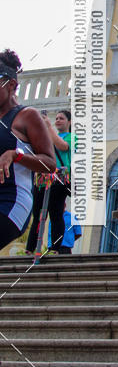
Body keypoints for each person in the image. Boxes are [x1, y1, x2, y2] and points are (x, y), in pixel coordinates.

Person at [0, 49, 56, 250]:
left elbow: (49, 164)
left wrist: (16, 155)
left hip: (11, 202)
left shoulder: (27, 116)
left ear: (11, 85)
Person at [26, 109, 74, 254]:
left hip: (59, 178)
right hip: (42, 177)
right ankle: (31, 247)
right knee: (38, 214)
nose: (58, 120)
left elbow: (62, 146)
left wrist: (48, 126)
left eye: (61, 118)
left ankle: (55, 248)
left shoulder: (72, 137)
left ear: (69, 122)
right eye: (56, 118)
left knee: (56, 214)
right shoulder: (48, 135)